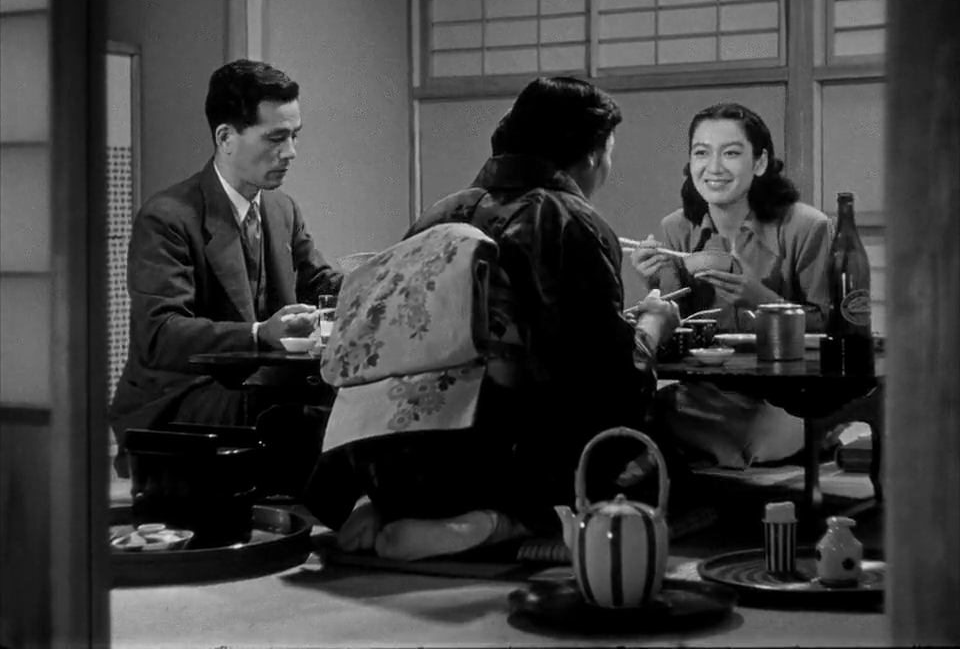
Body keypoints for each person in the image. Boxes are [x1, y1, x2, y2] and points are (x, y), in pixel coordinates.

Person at [308, 76, 681, 561]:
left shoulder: (441, 215)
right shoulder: (571, 219)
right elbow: (603, 378)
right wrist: (651, 329)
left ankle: (387, 507)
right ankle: (495, 523)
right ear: (591, 153)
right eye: (608, 152)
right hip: (503, 461)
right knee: (657, 460)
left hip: (390, 454)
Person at [110, 59, 343, 477]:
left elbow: (319, 281)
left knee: (344, 392)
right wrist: (259, 333)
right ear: (226, 138)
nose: (290, 152)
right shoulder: (168, 217)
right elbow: (161, 334)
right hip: (179, 396)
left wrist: (384, 283)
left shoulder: (280, 208)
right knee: (290, 415)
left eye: (294, 136)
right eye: (276, 138)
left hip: (256, 384)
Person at [631, 102, 832, 468]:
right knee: (642, 411)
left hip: (787, 394)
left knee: (760, 431)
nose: (714, 168)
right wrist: (655, 280)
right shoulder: (677, 228)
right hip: (707, 391)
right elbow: (682, 327)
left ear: (759, 163)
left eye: (732, 153)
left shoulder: (807, 227)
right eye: (702, 153)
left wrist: (764, 300)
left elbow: (830, 325)